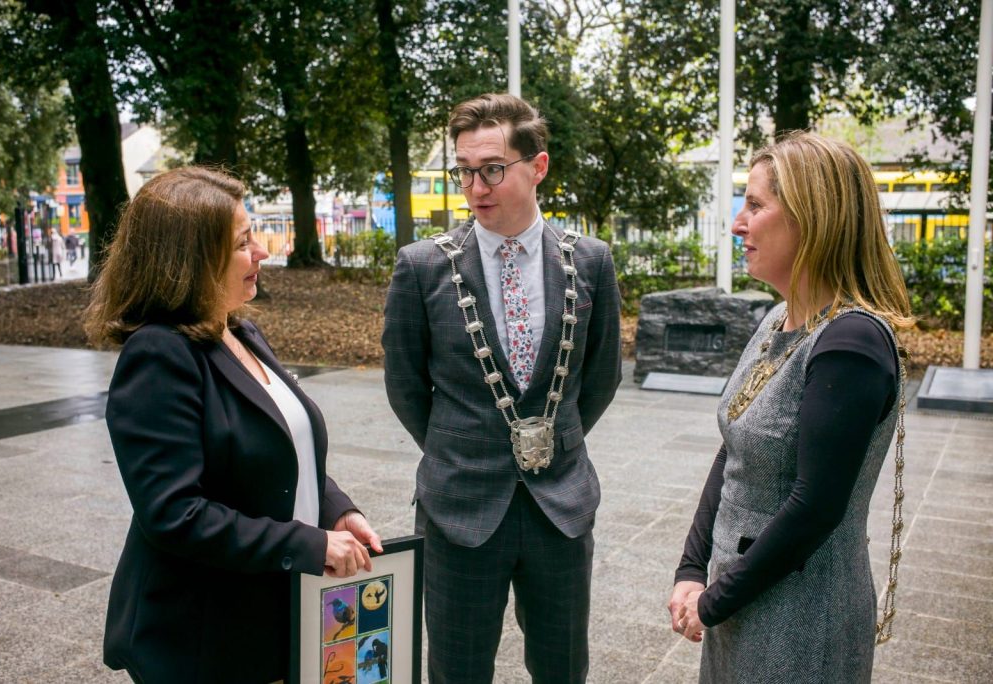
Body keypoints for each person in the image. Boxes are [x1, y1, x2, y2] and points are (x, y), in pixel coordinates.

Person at [86, 166, 382, 684]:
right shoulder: (158, 354)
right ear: (191, 259)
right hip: (205, 634)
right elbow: (175, 514)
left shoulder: (241, 331)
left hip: (268, 614)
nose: (262, 252)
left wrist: (337, 511)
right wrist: (308, 545)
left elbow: (283, 449)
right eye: (243, 243)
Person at [382, 93, 622, 683]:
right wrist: (463, 446)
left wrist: (551, 439)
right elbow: (405, 386)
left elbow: (601, 376)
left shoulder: (590, 262)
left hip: (560, 507)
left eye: (491, 169)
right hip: (459, 506)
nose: (475, 187)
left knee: (563, 669)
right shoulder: (422, 266)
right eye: (463, 171)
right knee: (457, 670)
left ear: (538, 167)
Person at [669, 132, 913, 683]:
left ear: (813, 218)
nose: (738, 224)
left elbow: (815, 507)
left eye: (755, 206)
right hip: (742, 596)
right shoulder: (777, 319)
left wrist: (713, 600)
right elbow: (732, 450)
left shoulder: (850, 343)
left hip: (800, 615)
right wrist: (692, 569)